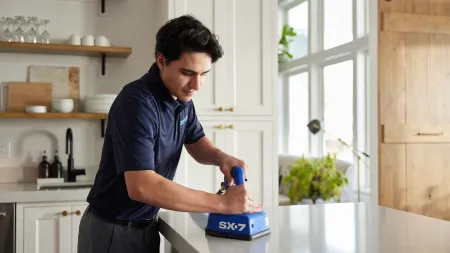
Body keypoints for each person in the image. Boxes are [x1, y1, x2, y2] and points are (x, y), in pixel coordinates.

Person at [77, 14, 263, 253]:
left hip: (147, 225)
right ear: (161, 60)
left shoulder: (181, 96)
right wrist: (222, 203)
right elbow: (142, 186)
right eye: (188, 73)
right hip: (113, 230)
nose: (196, 85)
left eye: (204, 74)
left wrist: (220, 157)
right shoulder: (137, 102)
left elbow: (195, 141)